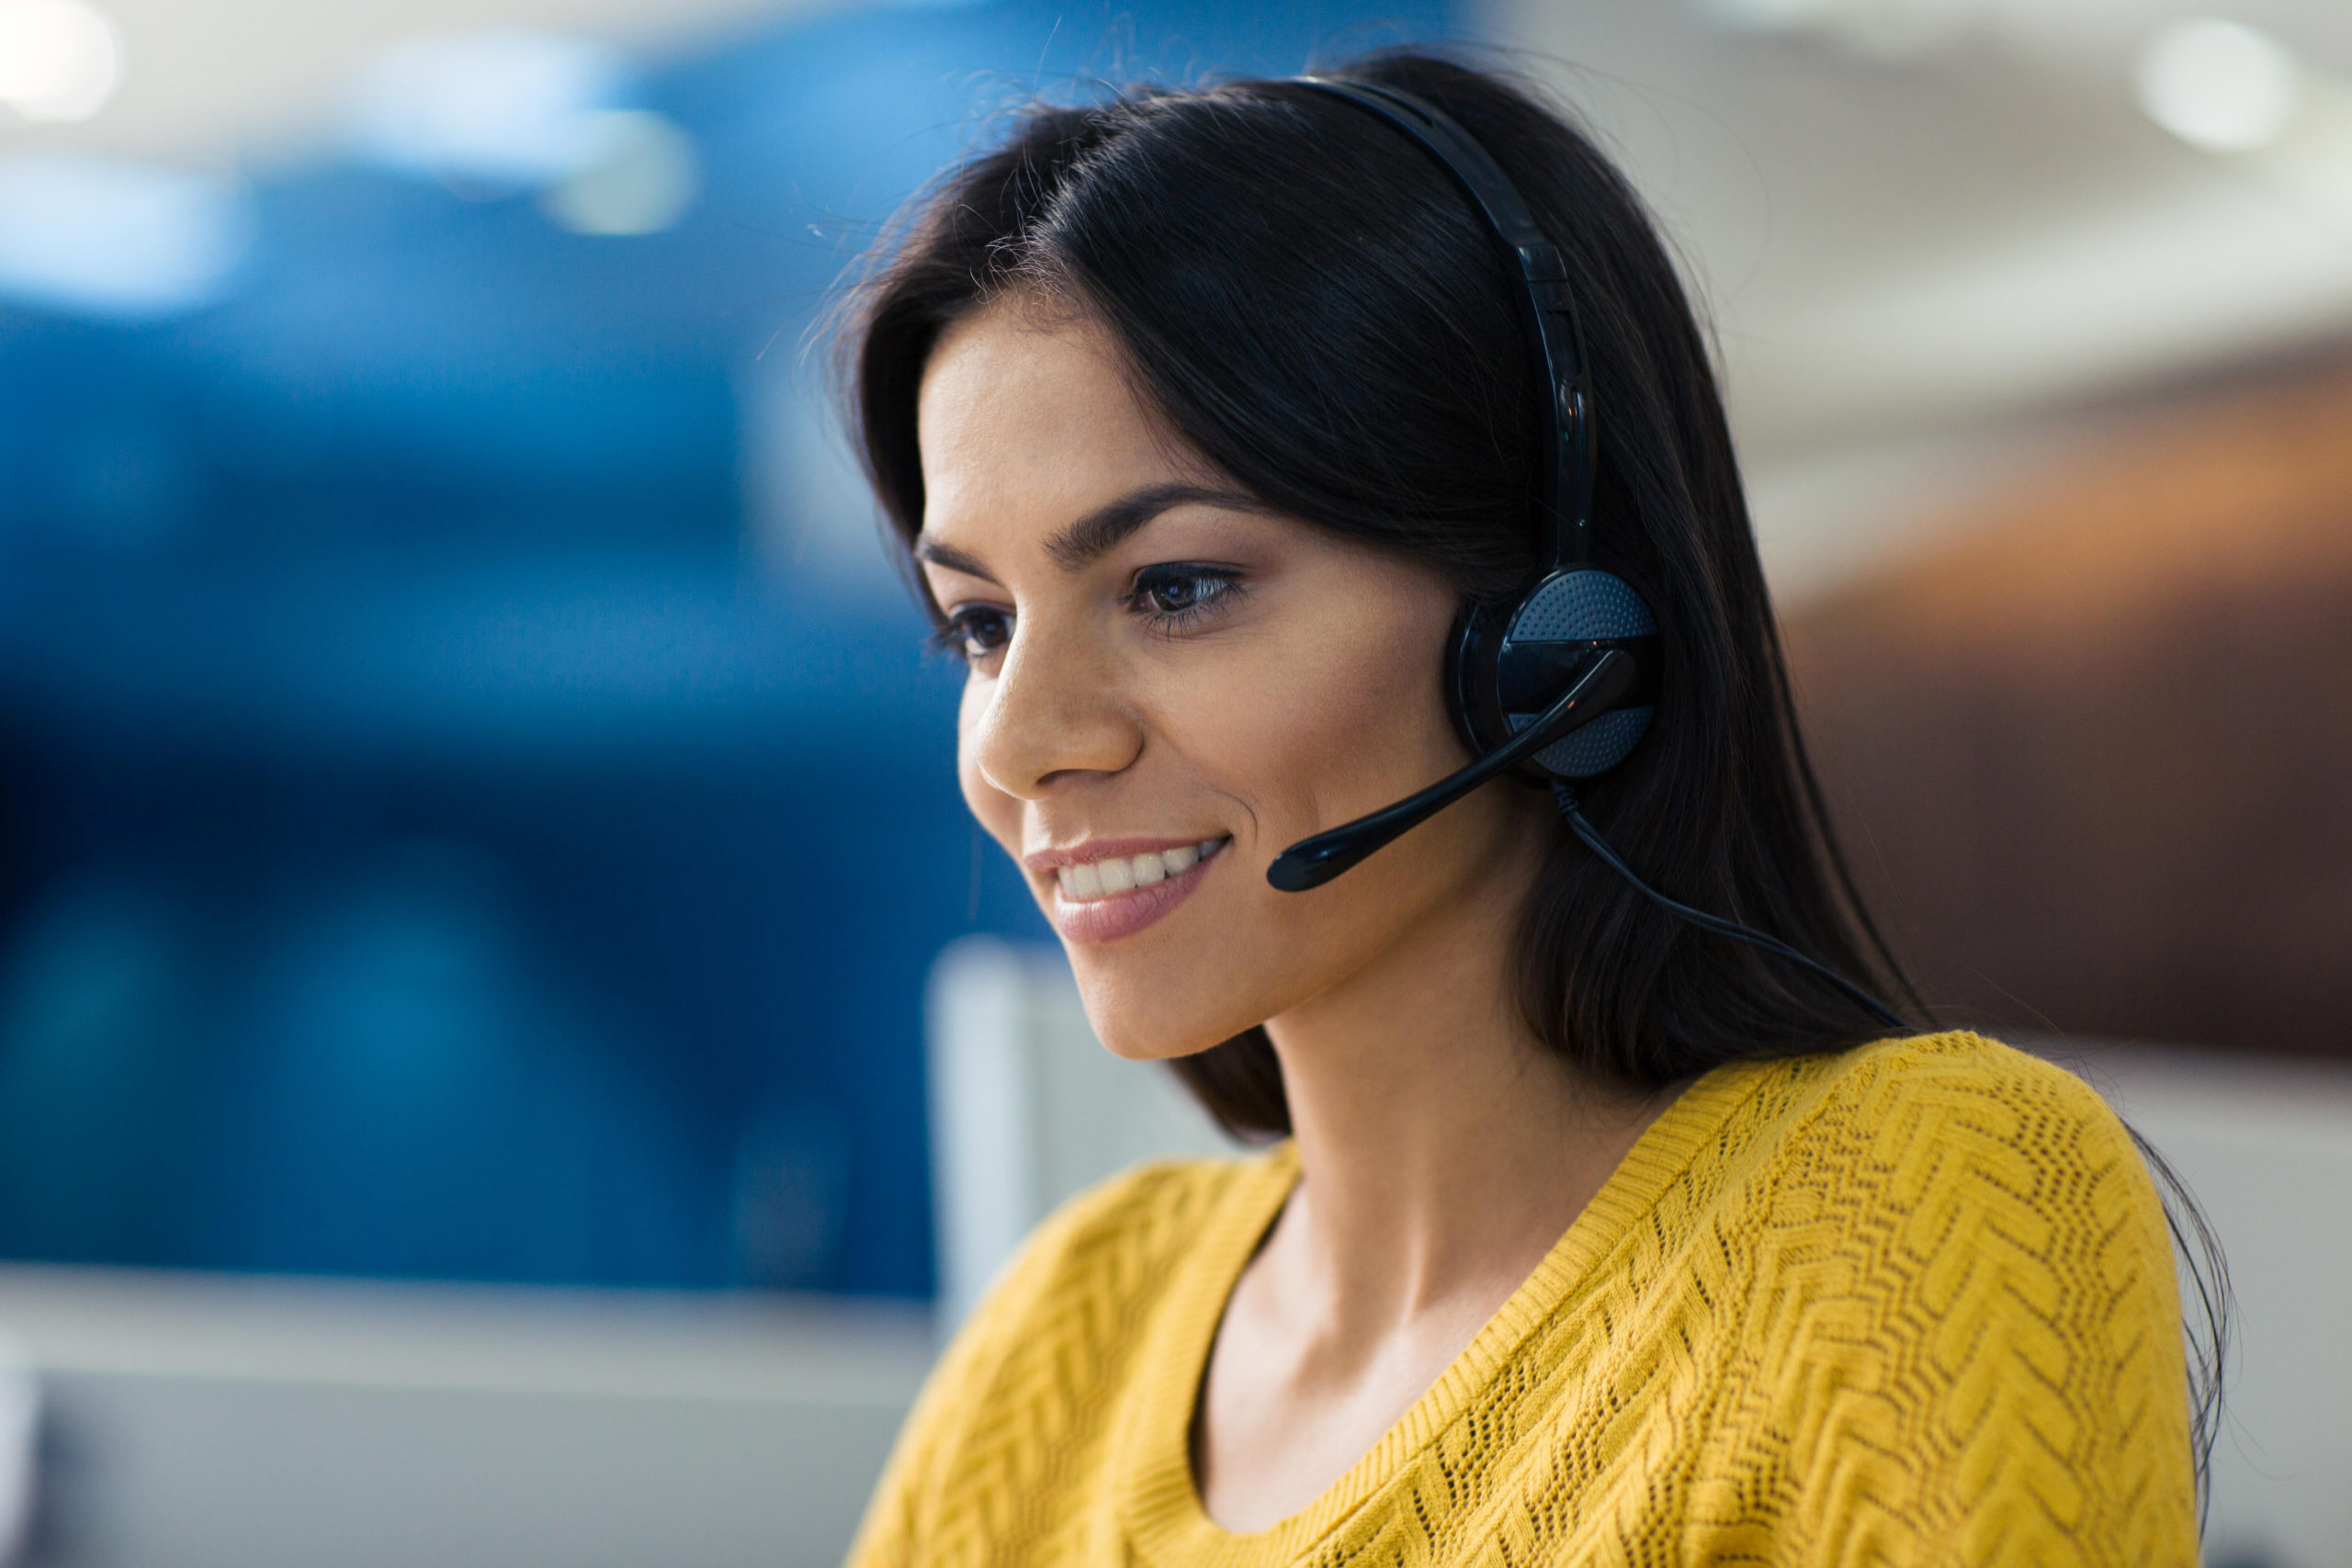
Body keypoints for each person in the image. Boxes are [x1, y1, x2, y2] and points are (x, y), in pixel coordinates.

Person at [838, 51, 2205, 1565]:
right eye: (980, 624)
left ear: (1555, 642)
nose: (1021, 740)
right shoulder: (1067, 1335)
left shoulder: (1900, 1206)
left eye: (1178, 586)